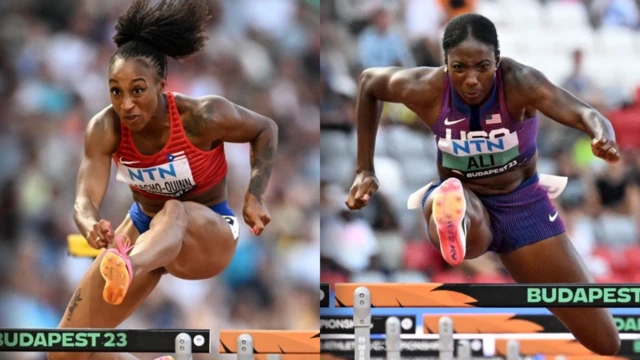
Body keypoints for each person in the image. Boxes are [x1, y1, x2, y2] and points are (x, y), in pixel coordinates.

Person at [345, 13, 621, 356]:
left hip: (523, 205)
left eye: (482, 67)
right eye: (459, 68)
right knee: (460, 210)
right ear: (445, 63)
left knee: (606, 341)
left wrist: (601, 134)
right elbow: (369, 83)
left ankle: (453, 214)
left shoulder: (520, 81)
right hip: (467, 198)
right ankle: (451, 216)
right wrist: (363, 168)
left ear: (497, 60)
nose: (471, 80)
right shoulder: (427, 87)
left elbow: (585, 113)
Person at [50, 1, 278, 359]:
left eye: (137, 90)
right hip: (144, 228)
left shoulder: (201, 116)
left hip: (208, 232)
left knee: (175, 210)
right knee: (66, 351)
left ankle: (127, 266)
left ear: (161, 84)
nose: (126, 104)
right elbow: (83, 200)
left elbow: (266, 128)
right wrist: (90, 224)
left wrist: (255, 194)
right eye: (115, 91)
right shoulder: (104, 128)